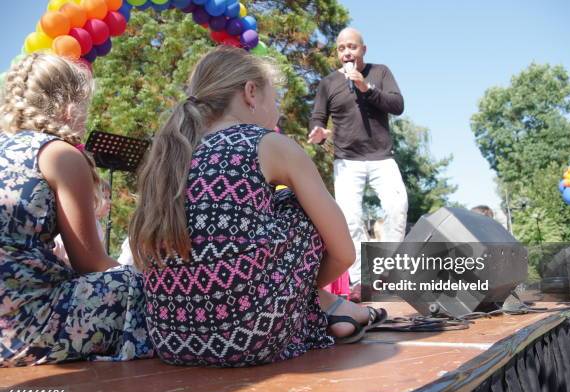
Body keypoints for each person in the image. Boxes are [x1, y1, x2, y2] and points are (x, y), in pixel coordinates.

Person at [129, 47, 386, 367]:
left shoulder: (168, 155)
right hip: (250, 334)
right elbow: (344, 253)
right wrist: (303, 290)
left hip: (171, 337)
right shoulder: (269, 144)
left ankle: (329, 308)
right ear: (251, 93)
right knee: (296, 204)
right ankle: (325, 307)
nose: (277, 112)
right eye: (274, 98)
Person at [0, 53, 153, 367]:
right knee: (139, 286)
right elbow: (91, 263)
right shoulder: (59, 155)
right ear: (69, 106)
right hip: (23, 327)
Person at [308, 27, 408, 302]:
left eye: (352, 47)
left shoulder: (380, 72)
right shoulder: (328, 83)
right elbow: (318, 117)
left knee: (397, 208)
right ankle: (360, 282)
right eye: (341, 48)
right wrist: (317, 132)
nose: (346, 52)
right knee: (350, 220)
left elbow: (397, 105)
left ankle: (386, 273)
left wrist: (366, 88)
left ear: (363, 49)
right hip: (347, 161)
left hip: (381, 158)